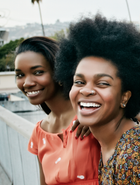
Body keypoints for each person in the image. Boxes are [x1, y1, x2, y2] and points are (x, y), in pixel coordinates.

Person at [54, 14, 140, 184]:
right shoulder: (111, 138)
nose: (86, 90)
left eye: (102, 83)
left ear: (125, 96)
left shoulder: (132, 154)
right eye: (79, 81)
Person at [16, 37, 100, 185]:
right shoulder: (39, 132)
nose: (27, 83)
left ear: (60, 71)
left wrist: (99, 113)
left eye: (38, 72)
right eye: (20, 75)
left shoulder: (92, 116)